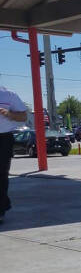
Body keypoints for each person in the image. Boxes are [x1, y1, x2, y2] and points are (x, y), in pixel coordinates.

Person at [0, 85, 28, 224]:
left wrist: (8, 114)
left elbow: (23, 116)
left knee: (1, 175)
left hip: (3, 139)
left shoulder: (9, 94)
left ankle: (0, 210)